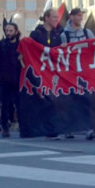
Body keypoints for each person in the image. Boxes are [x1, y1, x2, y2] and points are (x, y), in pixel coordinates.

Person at [60, 8, 95, 138]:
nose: (81, 18)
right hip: (71, 71)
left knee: (87, 99)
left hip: (86, 71)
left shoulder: (87, 33)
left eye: (82, 16)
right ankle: (69, 128)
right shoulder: (64, 35)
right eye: (78, 15)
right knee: (71, 100)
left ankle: (88, 128)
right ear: (71, 17)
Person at [30, 9, 65, 140]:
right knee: (45, 101)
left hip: (55, 72)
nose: (57, 19)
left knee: (54, 100)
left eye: (57, 17)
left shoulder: (59, 33)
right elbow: (30, 50)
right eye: (54, 17)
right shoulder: (36, 34)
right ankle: (46, 128)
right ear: (47, 18)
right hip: (41, 71)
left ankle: (52, 129)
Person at [0, 22, 22, 138]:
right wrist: (1, 74)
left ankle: (23, 126)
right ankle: (5, 127)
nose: (8, 33)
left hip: (18, 79)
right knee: (5, 105)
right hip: (5, 80)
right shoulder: (1, 45)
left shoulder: (20, 45)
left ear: (16, 31)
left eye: (11, 31)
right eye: (7, 31)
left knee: (20, 105)